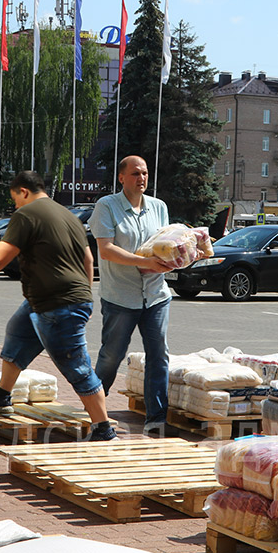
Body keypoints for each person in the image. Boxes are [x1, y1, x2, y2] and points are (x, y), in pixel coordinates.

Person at [0, 171, 117, 442]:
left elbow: (0, 258)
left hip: (58, 305)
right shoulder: (68, 215)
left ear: (24, 192)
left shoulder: (27, 214)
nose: (15, 206)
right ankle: (2, 395)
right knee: (18, 330)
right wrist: (86, 294)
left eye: (15, 199)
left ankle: (103, 428)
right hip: (51, 300)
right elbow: (87, 258)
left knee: (77, 366)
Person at [91, 155, 174, 434]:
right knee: (111, 357)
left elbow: (165, 244)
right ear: (121, 177)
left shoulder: (158, 207)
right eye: (136, 174)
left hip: (156, 295)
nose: (142, 179)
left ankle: (156, 420)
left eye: (145, 173)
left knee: (158, 355)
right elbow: (106, 250)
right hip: (120, 297)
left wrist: (184, 252)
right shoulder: (107, 206)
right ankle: (96, 416)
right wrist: (144, 263)